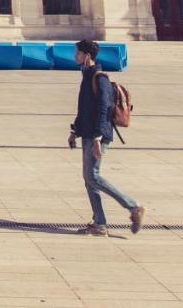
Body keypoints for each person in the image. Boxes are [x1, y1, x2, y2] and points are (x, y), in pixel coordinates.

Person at [68, 39, 144, 237]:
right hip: (88, 133)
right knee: (88, 178)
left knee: (92, 175)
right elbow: (84, 108)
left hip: (98, 135)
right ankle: (99, 223)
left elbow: (104, 109)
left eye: (77, 53)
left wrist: (98, 138)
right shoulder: (87, 76)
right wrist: (74, 131)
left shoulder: (99, 78)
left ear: (87, 55)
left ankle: (133, 207)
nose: (74, 56)